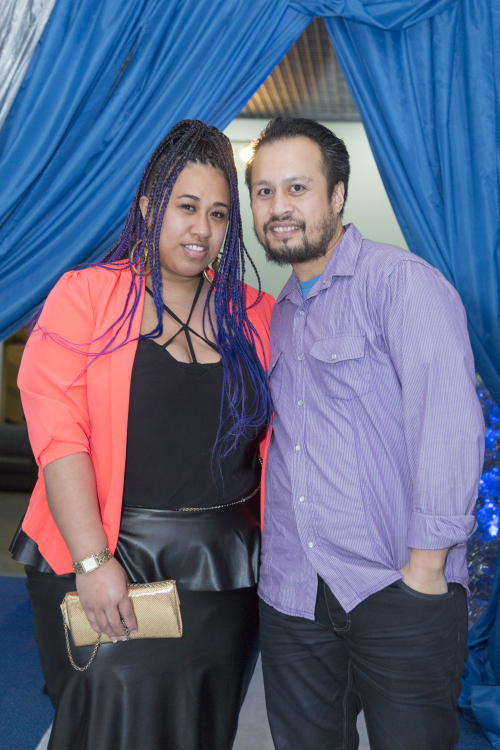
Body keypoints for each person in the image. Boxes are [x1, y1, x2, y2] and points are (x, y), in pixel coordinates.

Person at [10, 120, 274, 750]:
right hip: (106, 553)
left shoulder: (255, 314)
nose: (201, 228)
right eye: (186, 206)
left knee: (201, 729)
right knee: (106, 726)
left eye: (217, 214)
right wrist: (93, 562)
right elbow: (60, 438)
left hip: (225, 573)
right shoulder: (87, 296)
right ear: (151, 207)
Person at [245, 117, 485, 750]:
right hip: (295, 594)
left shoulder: (400, 282)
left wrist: (425, 569)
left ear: (338, 194)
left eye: (297, 188)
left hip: (395, 586)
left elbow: (448, 424)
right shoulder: (279, 314)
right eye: (264, 192)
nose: (278, 207)